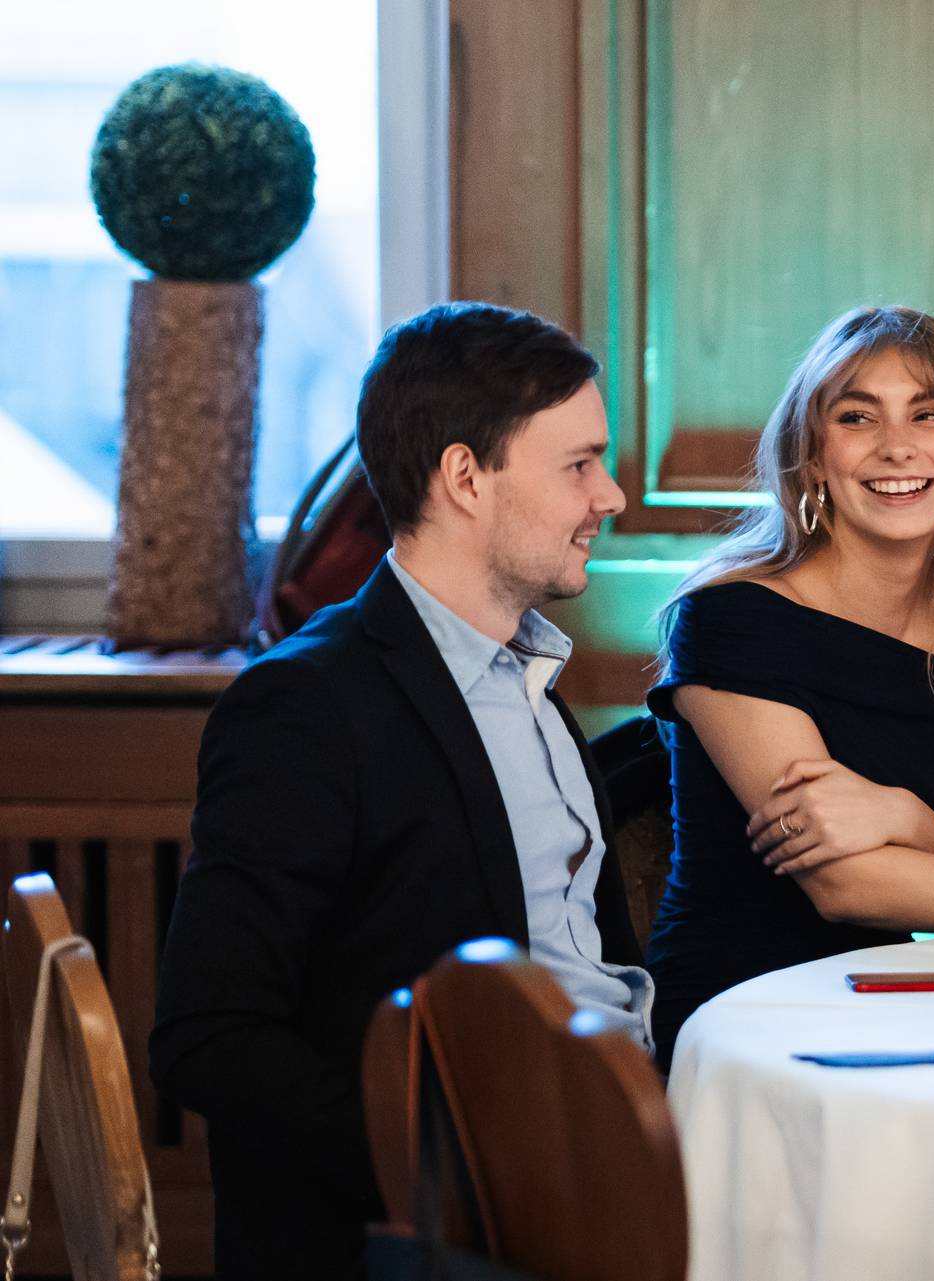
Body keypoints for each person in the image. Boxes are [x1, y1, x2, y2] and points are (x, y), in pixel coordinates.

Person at [151, 303, 649, 1279]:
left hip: (612, 1166)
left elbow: (593, 966)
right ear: (465, 478)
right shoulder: (306, 705)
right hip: (447, 1236)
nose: (613, 494)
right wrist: (457, 1171)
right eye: (580, 464)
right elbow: (208, 1036)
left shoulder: (534, 683)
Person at [643, 306, 934, 1070]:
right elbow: (847, 883)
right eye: (857, 416)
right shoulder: (731, 614)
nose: (897, 445)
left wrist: (905, 817)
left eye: (930, 414)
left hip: (922, 997)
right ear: (812, 456)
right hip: (752, 1016)